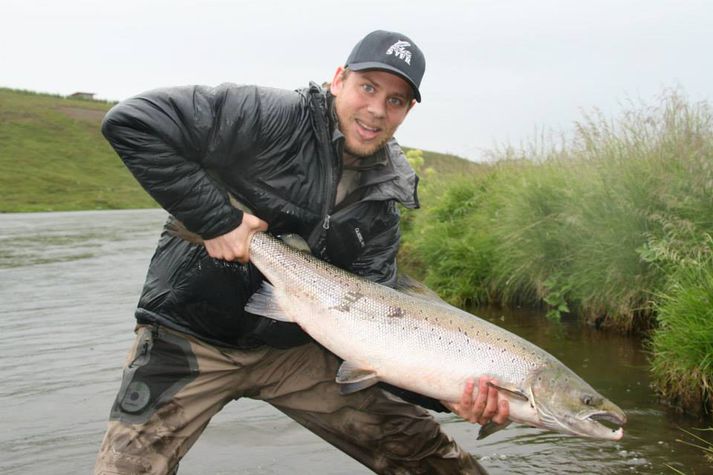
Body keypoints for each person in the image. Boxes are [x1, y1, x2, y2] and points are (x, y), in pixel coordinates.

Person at [94, 29, 509, 475]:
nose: (376, 110)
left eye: (396, 100)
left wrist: (443, 392)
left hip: (302, 349)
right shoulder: (268, 116)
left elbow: (379, 333)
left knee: (437, 463)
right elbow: (132, 121)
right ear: (338, 80)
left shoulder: (385, 196)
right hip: (190, 336)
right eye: (368, 87)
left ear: (407, 111)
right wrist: (216, 220)